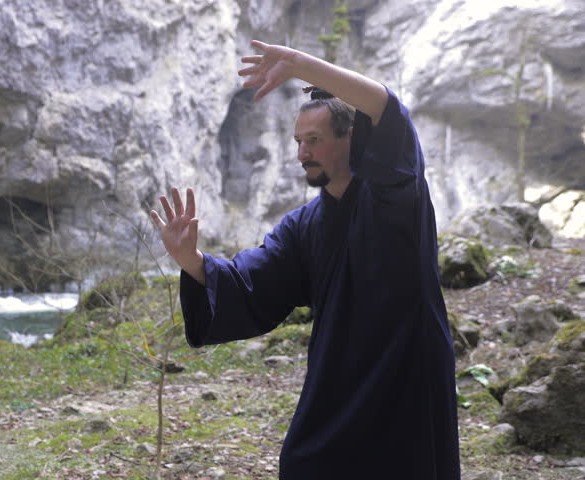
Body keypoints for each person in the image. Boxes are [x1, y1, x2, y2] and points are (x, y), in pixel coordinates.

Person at [149, 40, 460, 479]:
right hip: (338, 376)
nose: (302, 153)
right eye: (298, 141)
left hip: (405, 372)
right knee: (305, 463)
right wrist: (193, 261)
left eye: (314, 140)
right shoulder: (304, 224)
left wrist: (300, 64)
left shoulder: (395, 198)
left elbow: (388, 111)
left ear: (351, 139)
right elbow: (250, 283)